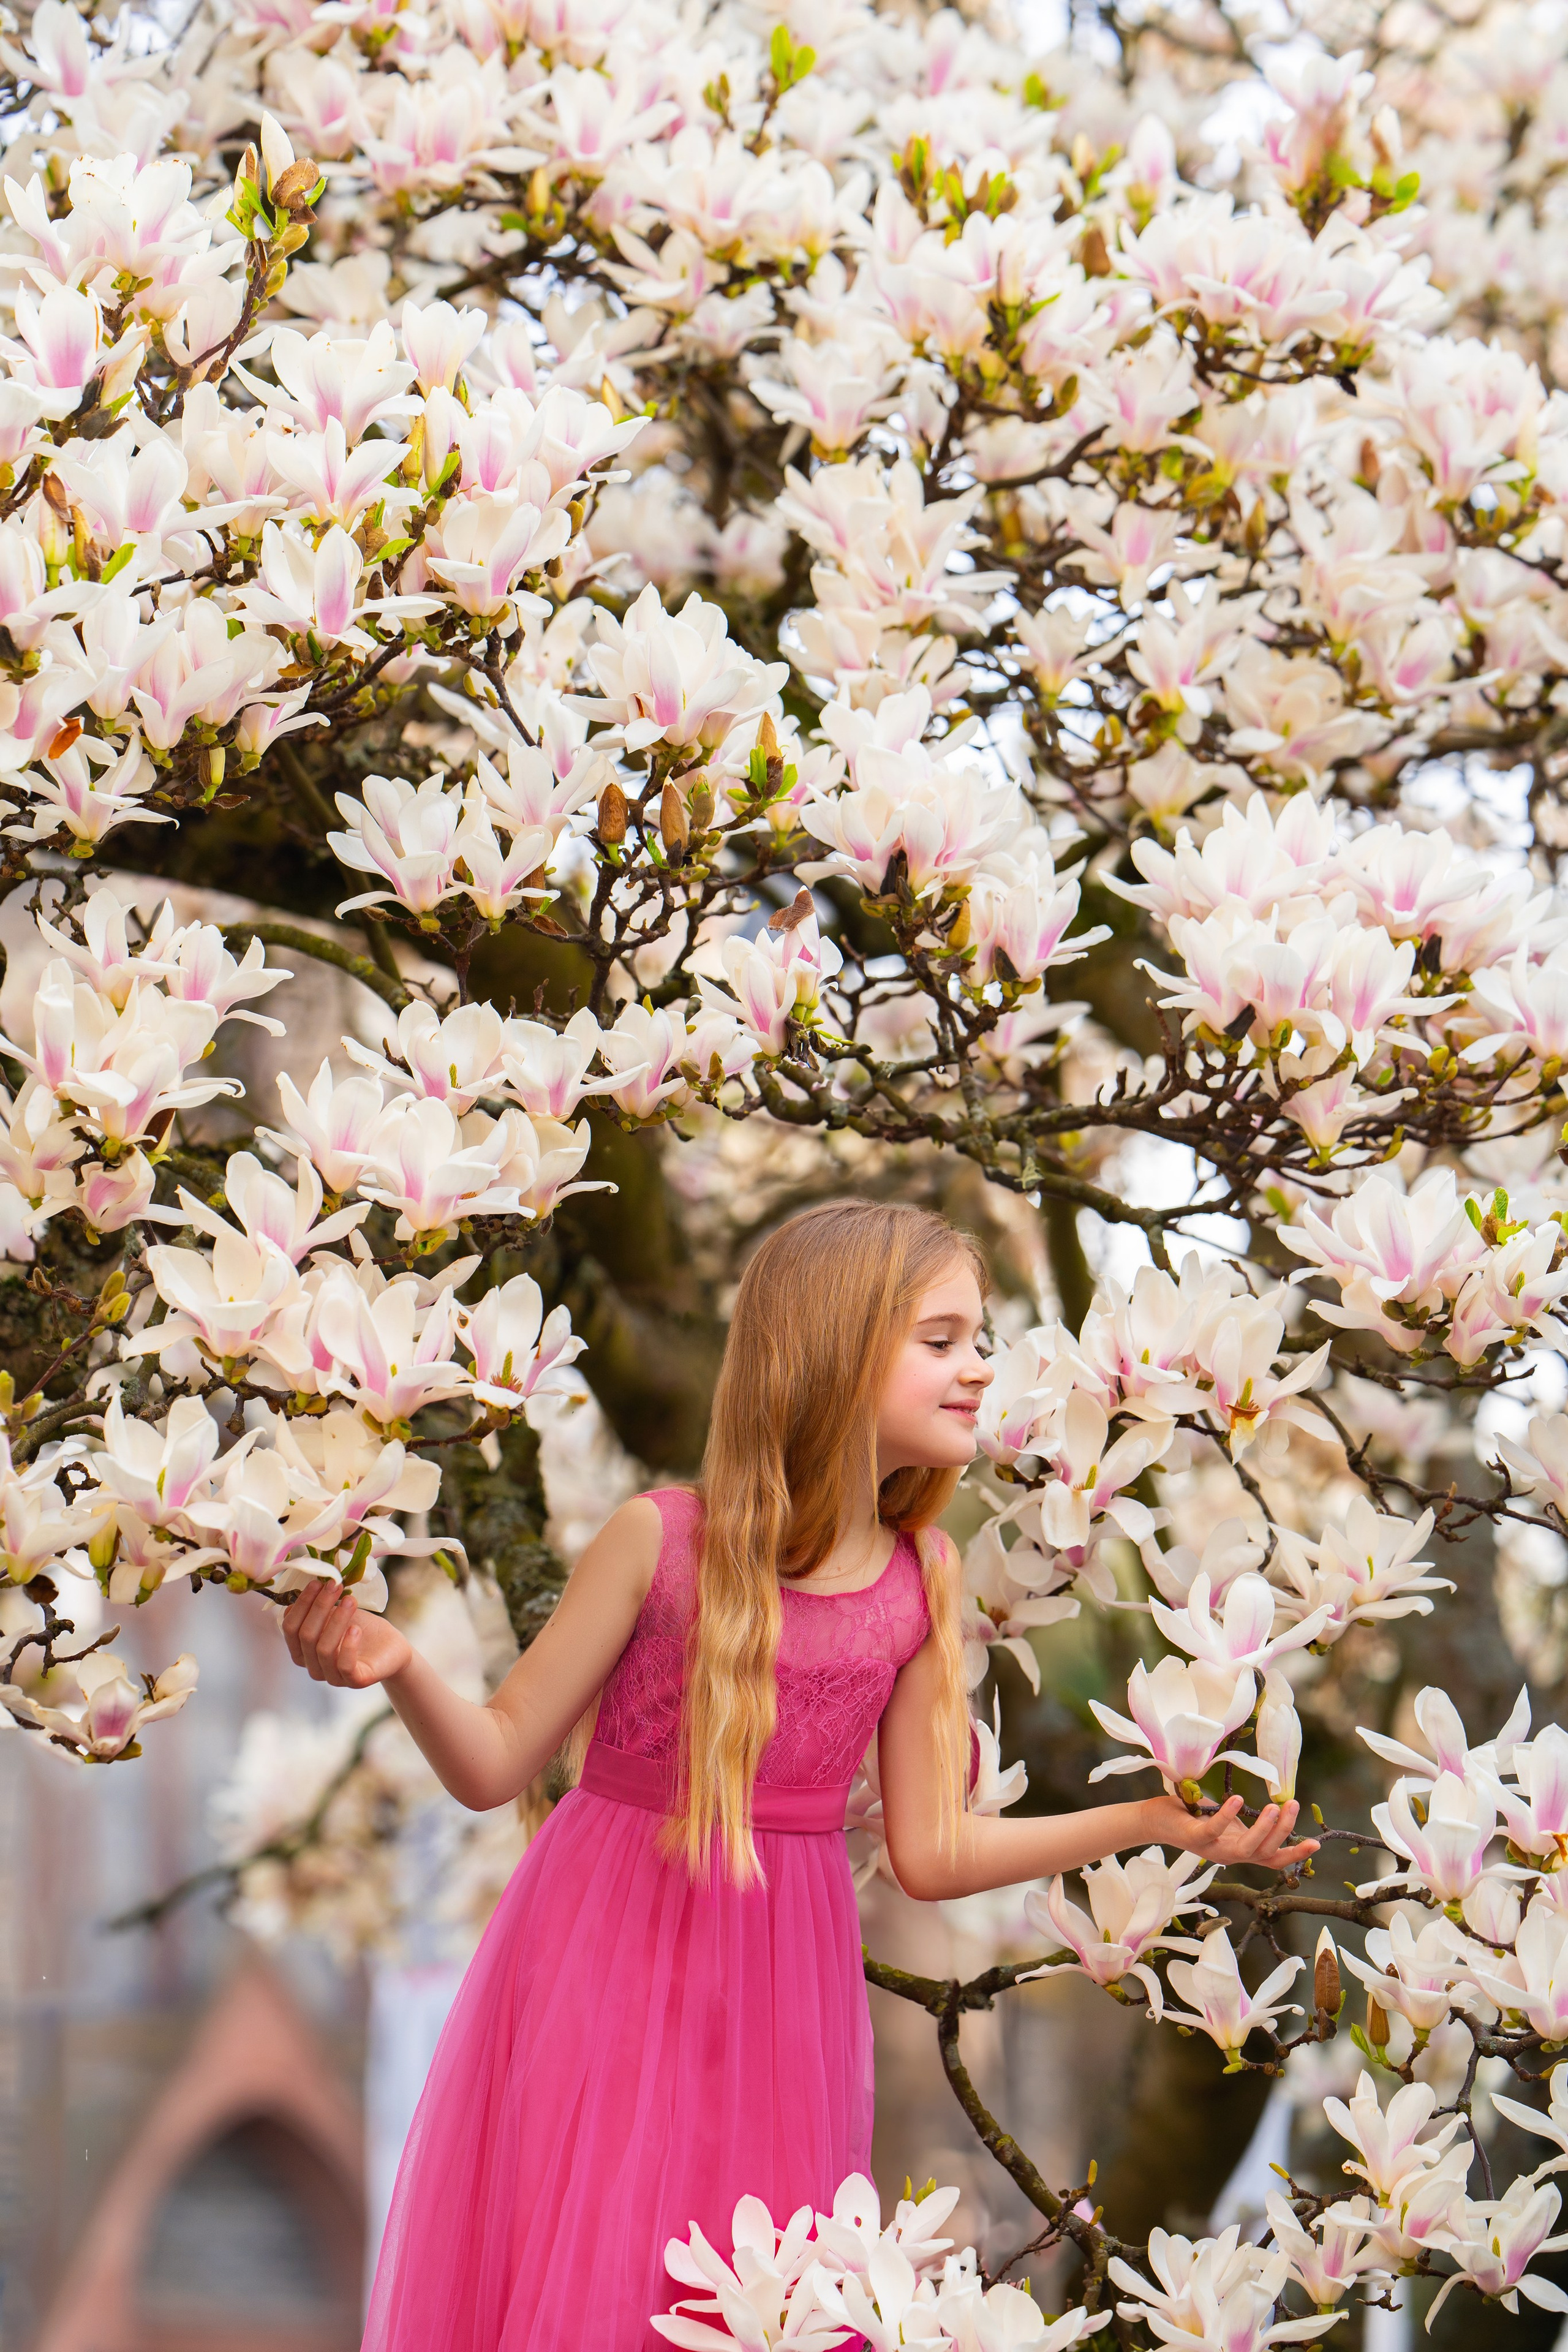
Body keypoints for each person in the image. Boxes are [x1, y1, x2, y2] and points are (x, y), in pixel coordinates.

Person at [282, 1199, 1316, 2351]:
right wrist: (399, 1663)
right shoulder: (659, 1541)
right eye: (943, 1340)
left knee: (758, 2296)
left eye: (979, 1339)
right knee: (603, 2273)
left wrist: (1149, 1820)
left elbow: (936, 1852)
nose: (981, 1367)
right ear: (836, 1351)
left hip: (784, 1995)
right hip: (606, 1948)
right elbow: (493, 1763)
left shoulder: (922, 1577)